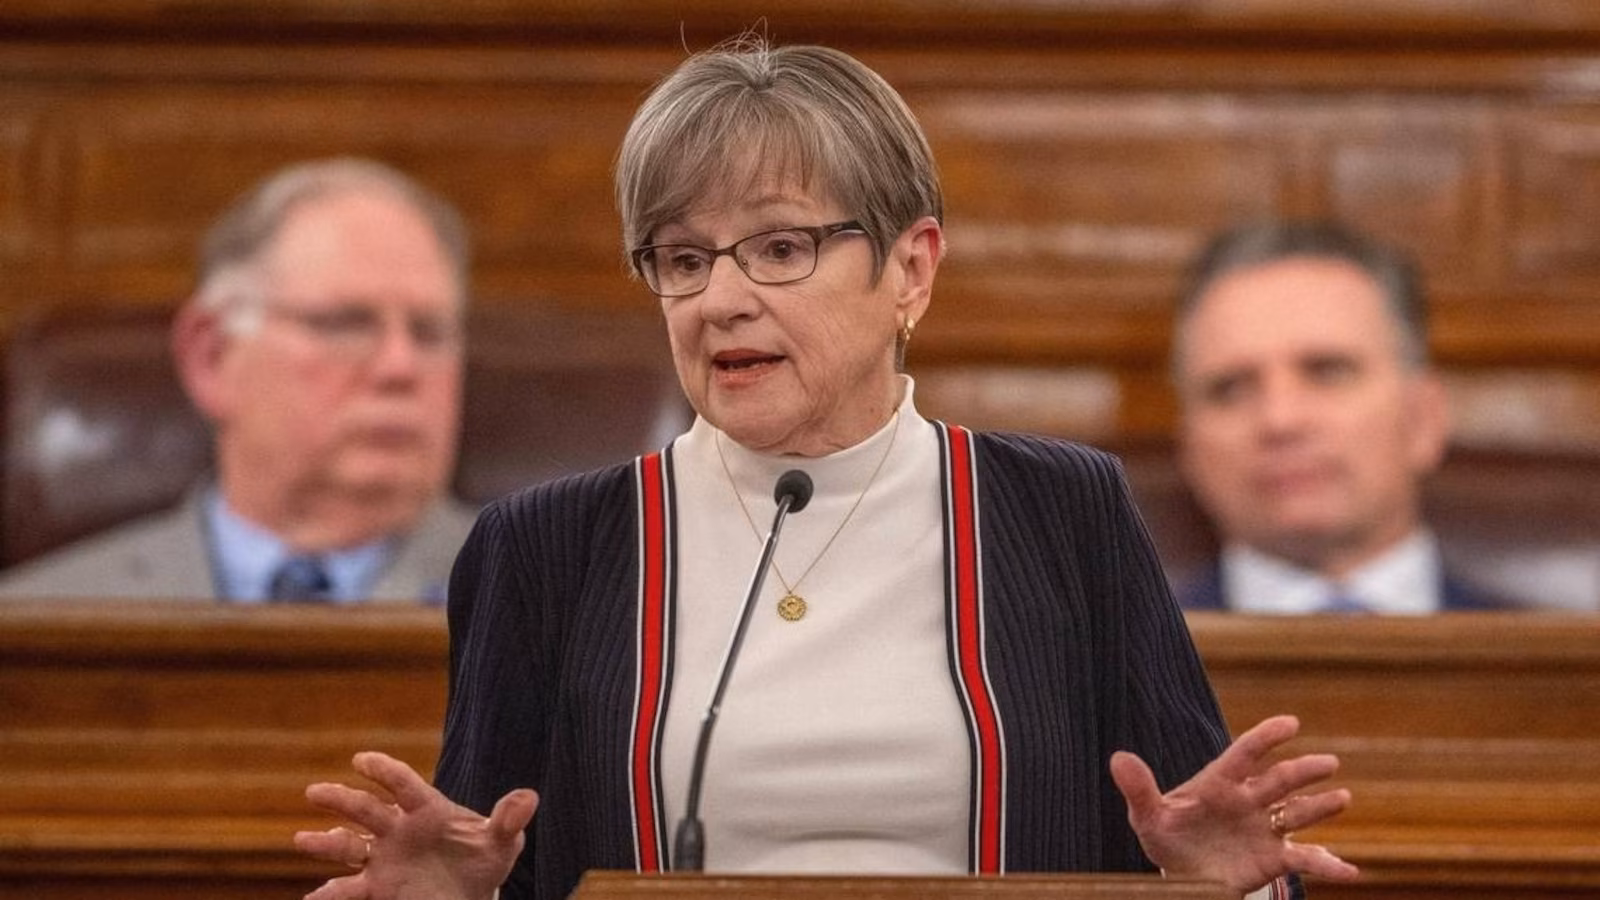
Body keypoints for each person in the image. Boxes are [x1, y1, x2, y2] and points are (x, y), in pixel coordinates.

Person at [294, 38, 1358, 900]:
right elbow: (488, 863)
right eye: (682, 259)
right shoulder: (548, 550)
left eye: (779, 248)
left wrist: (1221, 888)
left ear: (911, 269)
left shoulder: (1059, 513)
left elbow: (1202, 842)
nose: (721, 300)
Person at [0, 158, 478, 604]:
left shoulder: (521, 599)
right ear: (212, 356)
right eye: (344, 324)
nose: (400, 367)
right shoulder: (37, 621)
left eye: (430, 332)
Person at [1169, 220, 1509, 614]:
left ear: (1423, 418)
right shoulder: (1123, 652)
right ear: (1189, 446)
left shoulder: (1545, 651)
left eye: (1327, 372)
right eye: (1231, 389)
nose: (1280, 420)